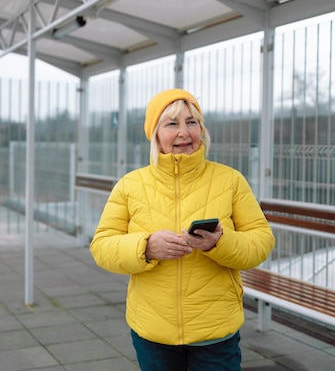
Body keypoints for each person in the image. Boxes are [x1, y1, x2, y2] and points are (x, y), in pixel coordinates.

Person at [89, 88, 275, 371]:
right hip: (153, 333)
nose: (184, 133)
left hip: (215, 332)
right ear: (155, 133)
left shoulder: (230, 180)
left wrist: (219, 243)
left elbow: (261, 241)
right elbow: (101, 246)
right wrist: (146, 246)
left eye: (192, 122)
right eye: (172, 124)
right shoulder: (130, 185)